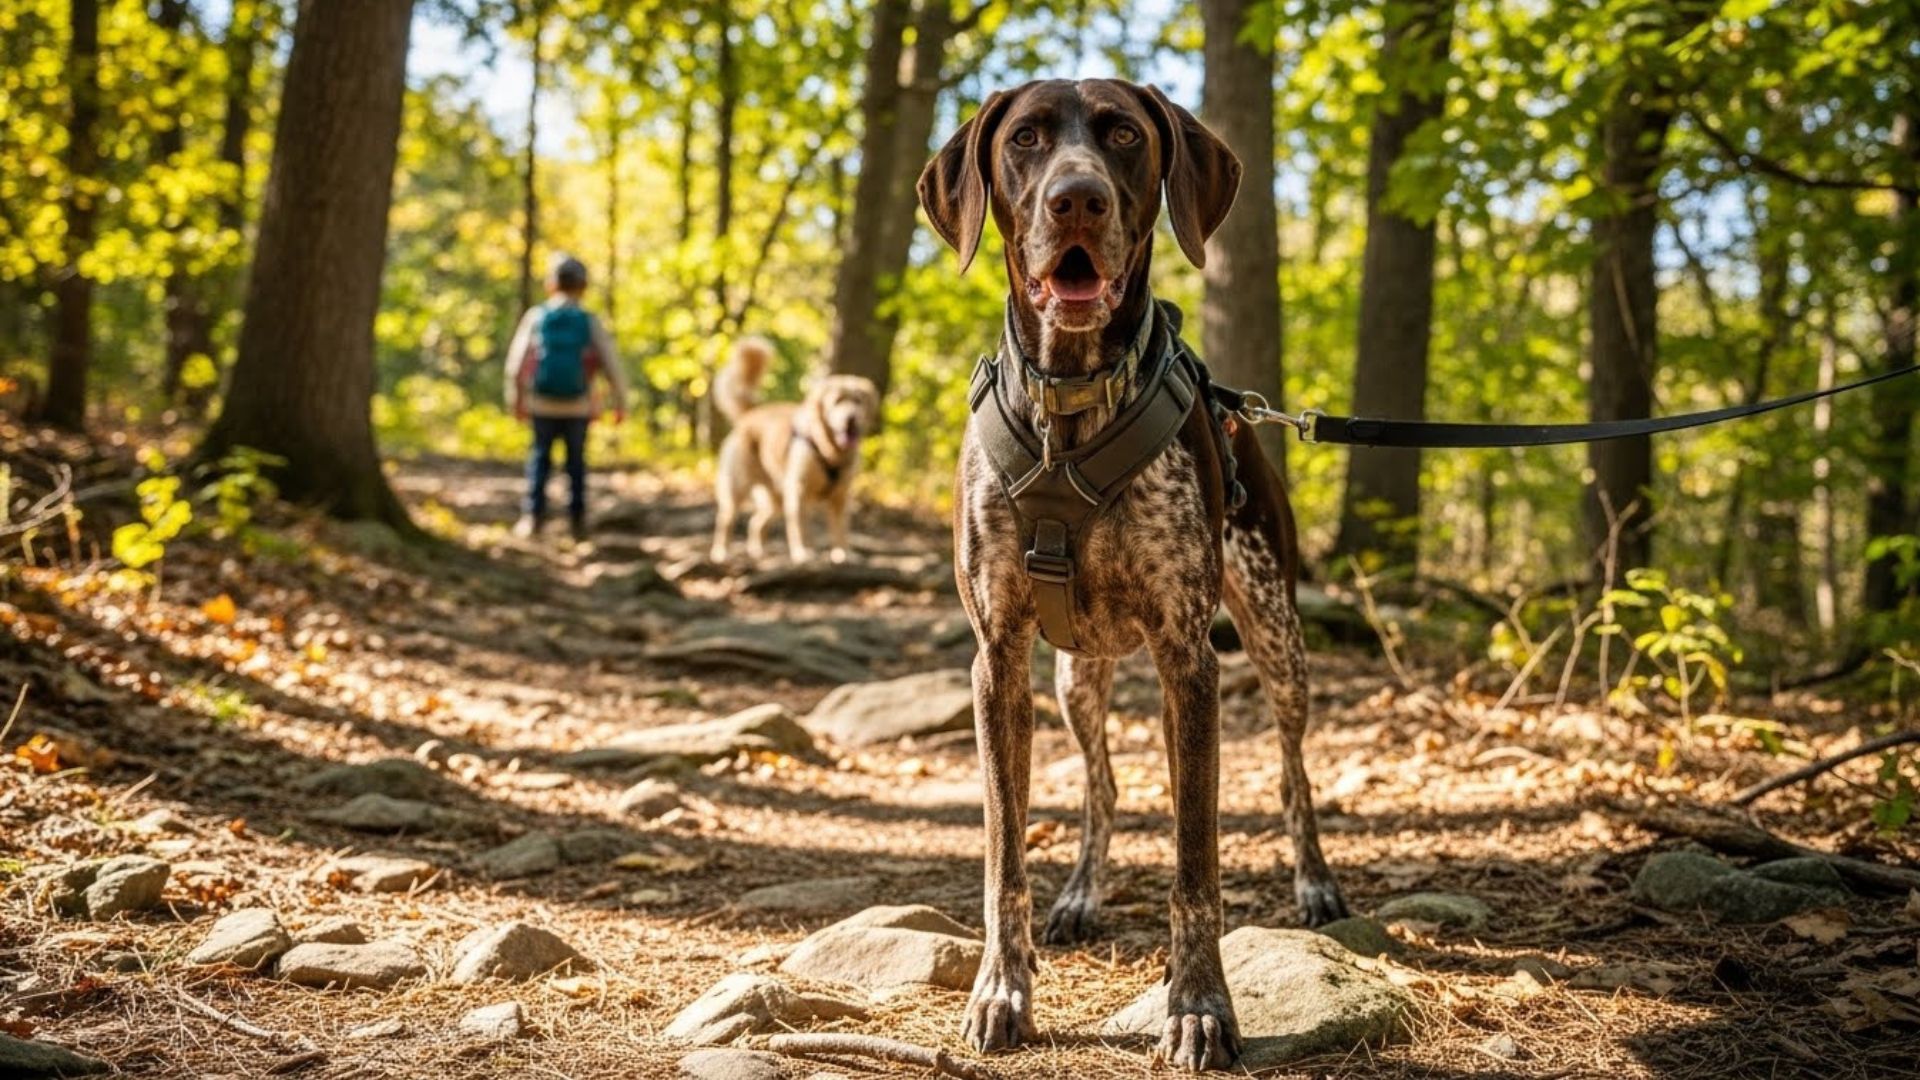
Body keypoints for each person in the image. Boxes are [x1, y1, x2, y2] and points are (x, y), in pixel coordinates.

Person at [504, 254, 628, 541]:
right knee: (576, 464)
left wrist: (517, 401)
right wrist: (620, 403)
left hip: (541, 403)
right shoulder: (588, 321)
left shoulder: (537, 317)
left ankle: (533, 518)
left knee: (539, 459)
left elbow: (515, 365)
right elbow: (611, 364)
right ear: (583, 287)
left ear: (551, 284)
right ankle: (577, 522)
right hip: (578, 405)